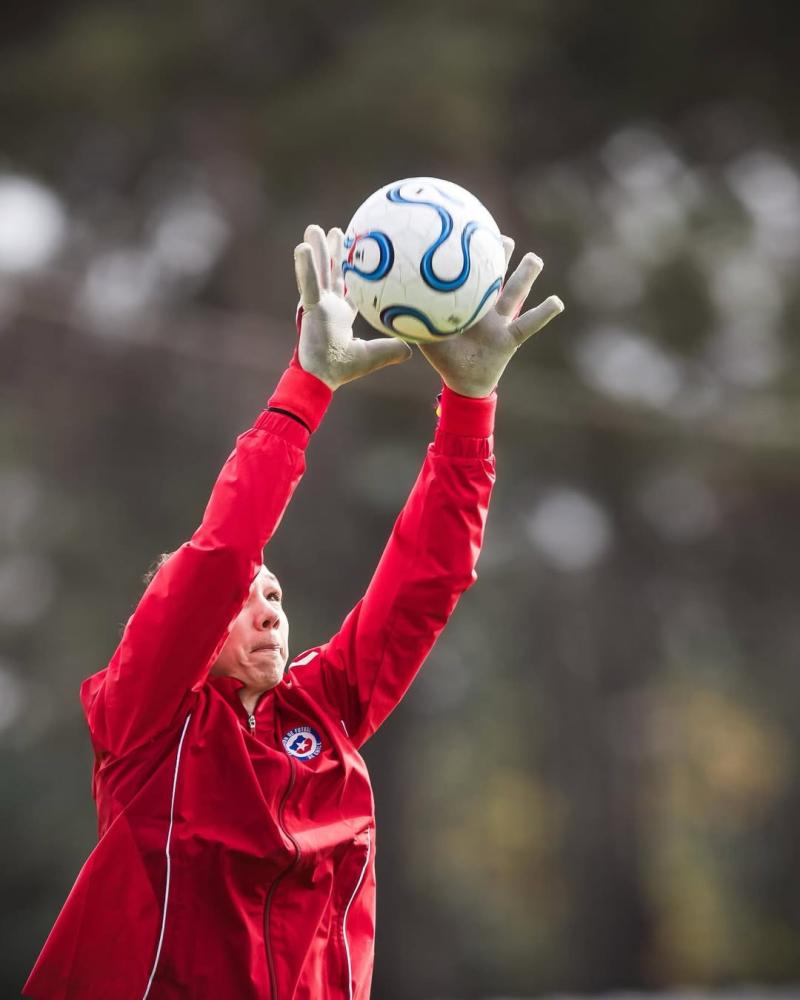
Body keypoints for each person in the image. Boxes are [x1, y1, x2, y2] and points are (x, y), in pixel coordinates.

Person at [24, 224, 564, 1000]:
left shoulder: (325, 709)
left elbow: (428, 578)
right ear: (186, 630)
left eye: (274, 597)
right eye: (242, 604)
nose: (270, 614)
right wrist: (306, 386)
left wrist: (470, 403)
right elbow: (224, 550)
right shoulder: (144, 723)